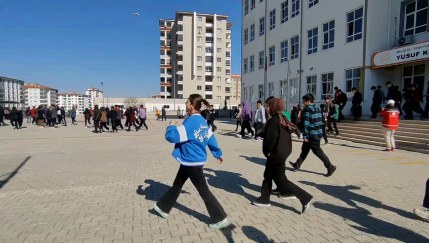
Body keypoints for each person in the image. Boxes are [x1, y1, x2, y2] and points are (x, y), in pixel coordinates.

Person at [152, 94, 229, 230]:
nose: (185, 104)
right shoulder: (202, 121)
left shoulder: (190, 122)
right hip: (191, 161)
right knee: (177, 186)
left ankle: (220, 218)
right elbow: (211, 139)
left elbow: (172, 137)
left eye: (187, 102)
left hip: (192, 162)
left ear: (193, 105)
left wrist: (170, 126)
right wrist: (218, 154)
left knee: (204, 191)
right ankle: (162, 208)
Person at [252, 97, 313, 213]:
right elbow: (276, 134)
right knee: (275, 177)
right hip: (283, 152)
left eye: (268, 106)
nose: (267, 108)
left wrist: (266, 152)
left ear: (274, 107)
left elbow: (270, 140)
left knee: (274, 178)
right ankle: (282, 194)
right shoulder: (282, 118)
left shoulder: (274, 120)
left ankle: (304, 197)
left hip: (276, 154)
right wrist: (262, 133)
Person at [289, 94, 337, 177]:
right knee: (305, 149)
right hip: (317, 133)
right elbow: (322, 121)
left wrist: (305, 136)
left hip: (311, 135)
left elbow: (306, 123)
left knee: (317, 151)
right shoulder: (318, 108)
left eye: (304, 100)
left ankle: (330, 167)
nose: (303, 102)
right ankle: (297, 164)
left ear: (308, 101)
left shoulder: (307, 110)